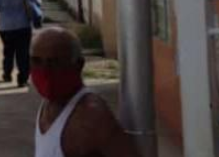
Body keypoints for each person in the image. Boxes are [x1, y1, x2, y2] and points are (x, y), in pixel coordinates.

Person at [32, 27, 139, 157]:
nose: (45, 70)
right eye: (37, 61)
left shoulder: (92, 116)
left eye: (55, 62)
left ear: (78, 65)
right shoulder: (48, 104)